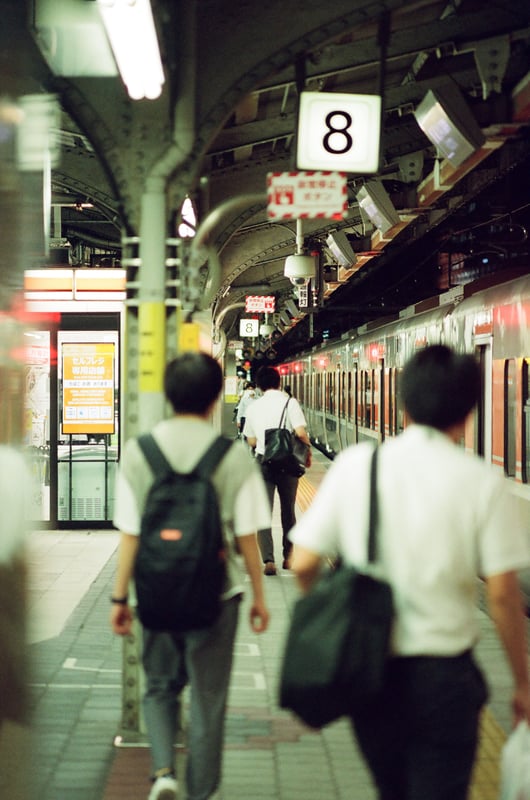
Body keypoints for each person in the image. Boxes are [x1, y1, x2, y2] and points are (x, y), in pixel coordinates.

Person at [289, 344, 530, 800]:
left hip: (373, 674)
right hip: (446, 680)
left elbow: (302, 562)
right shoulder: (481, 481)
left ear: (402, 403)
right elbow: (501, 596)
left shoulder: (359, 465)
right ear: (469, 411)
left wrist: (334, 617)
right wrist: (522, 682)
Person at [110, 352, 271, 800]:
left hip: (155, 592)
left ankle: (163, 773)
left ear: (168, 395)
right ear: (215, 396)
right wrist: (259, 597)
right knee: (208, 699)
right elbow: (247, 539)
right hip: (217, 597)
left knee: (159, 686)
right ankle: (200, 792)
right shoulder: (233, 456)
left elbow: (130, 535)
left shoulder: (138, 454)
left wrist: (120, 599)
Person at [243, 365, 311, 575]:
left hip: (264, 462)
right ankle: (288, 557)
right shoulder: (290, 403)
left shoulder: (253, 407)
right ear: (279, 382)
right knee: (288, 511)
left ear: (258, 385)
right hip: (288, 463)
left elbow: (252, 441)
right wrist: (307, 452)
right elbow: (300, 432)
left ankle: (268, 561)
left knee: (263, 511)